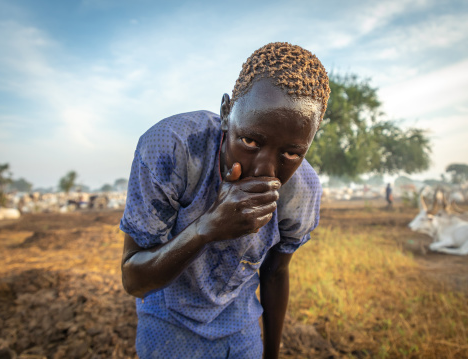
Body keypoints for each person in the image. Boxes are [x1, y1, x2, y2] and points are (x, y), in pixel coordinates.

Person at [120, 42, 331, 359]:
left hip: (240, 330)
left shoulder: (300, 188)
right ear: (225, 113)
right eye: (249, 141)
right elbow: (134, 280)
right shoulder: (172, 149)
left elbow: (274, 273)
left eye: (291, 153)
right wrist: (207, 227)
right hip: (167, 323)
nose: (265, 170)